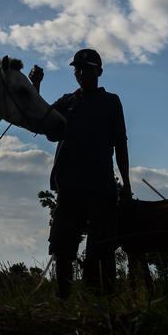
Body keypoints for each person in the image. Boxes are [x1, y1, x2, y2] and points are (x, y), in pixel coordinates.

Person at [30, 48, 130, 298]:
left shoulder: (111, 102)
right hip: (69, 186)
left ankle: (101, 303)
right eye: (77, 69)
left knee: (101, 248)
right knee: (63, 247)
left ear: (99, 72)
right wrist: (36, 85)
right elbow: (41, 120)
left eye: (87, 68)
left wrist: (126, 184)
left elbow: (121, 144)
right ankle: (64, 300)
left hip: (101, 187)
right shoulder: (67, 102)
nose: (81, 73)